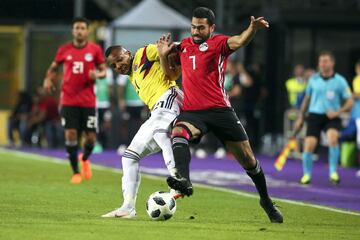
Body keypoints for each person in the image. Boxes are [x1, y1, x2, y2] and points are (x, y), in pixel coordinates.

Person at [161, 7, 283, 223]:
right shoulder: (183, 47)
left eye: (201, 27)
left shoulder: (218, 44)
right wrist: (163, 56)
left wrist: (252, 29)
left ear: (212, 28)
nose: (196, 31)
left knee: (248, 160)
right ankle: (183, 180)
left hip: (220, 111)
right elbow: (170, 74)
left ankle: (265, 200)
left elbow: (239, 41)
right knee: (178, 131)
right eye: (193, 26)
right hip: (193, 112)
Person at [101, 40, 183, 218]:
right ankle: (128, 207)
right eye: (113, 66)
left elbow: (169, 48)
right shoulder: (133, 75)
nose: (118, 66)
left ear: (128, 53)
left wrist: (173, 46)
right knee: (129, 157)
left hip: (171, 97)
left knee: (159, 132)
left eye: (120, 59)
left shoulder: (143, 53)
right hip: (158, 111)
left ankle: (178, 179)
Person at [43, 17, 107, 184]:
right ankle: (75, 172)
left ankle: (85, 158)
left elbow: (103, 71)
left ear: (87, 31)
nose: (79, 31)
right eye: (77, 28)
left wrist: (97, 75)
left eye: (82, 28)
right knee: (70, 134)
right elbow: (53, 68)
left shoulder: (94, 50)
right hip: (69, 100)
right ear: (73, 31)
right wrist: (48, 79)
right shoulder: (64, 50)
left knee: (91, 138)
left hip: (88, 101)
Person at [294, 51, 353, 185]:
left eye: (325, 61)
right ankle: (306, 175)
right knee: (309, 145)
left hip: (331, 116)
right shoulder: (313, 80)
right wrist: (300, 118)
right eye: (321, 61)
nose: (322, 64)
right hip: (315, 115)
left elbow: (349, 101)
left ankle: (333, 172)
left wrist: (338, 111)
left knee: (333, 138)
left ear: (332, 63)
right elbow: (306, 100)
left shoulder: (340, 81)